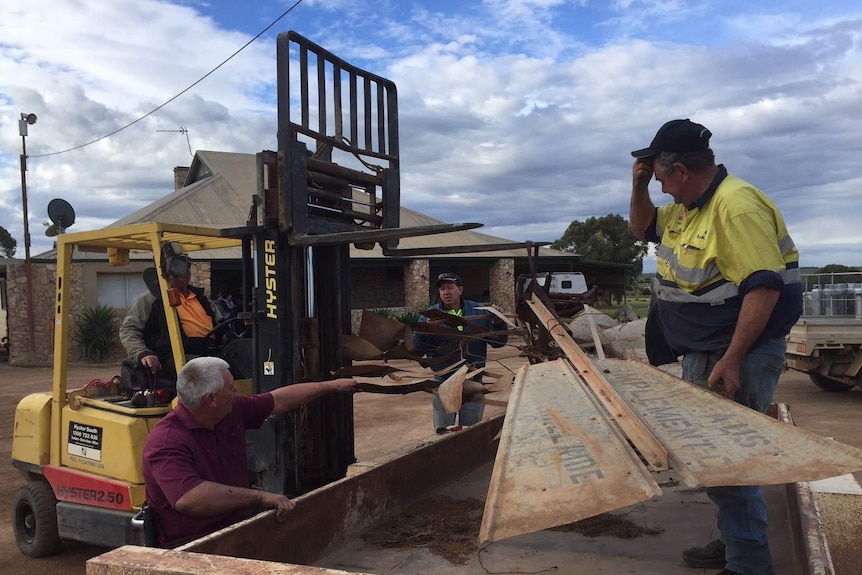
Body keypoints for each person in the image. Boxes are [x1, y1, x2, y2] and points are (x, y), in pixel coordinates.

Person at [629, 119, 802, 575]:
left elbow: (763, 288)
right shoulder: (690, 207)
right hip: (708, 351)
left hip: (736, 352)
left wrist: (732, 359)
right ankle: (734, 543)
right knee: (716, 459)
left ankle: (747, 564)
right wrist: (640, 184)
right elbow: (642, 227)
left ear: (682, 170)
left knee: (727, 461)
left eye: (663, 178)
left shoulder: (734, 207)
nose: (662, 189)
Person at [142, 356, 356, 548]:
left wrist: (332, 385)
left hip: (238, 530)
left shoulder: (229, 411)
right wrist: (260, 497)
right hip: (194, 548)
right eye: (230, 387)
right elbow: (189, 498)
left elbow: (278, 400)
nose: (236, 392)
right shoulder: (166, 441)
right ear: (211, 400)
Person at [414, 273, 509, 433]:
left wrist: (498, 323)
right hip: (444, 383)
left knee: (471, 432)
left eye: (450, 287)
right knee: (444, 433)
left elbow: (498, 343)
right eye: (442, 289)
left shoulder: (478, 312)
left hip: (473, 383)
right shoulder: (429, 316)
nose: (446, 292)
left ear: (460, 290)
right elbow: (417, 349)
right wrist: (425, 331)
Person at [119, 257, 222, 377]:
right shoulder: (152, 299)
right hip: (172, 355)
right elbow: (128, 329)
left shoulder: (201, 296)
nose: (184, 273)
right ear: (167, 272)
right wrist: (143, 353)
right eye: (178, 269)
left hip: (209, 349)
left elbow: (221, 322)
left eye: (186, 267)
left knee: (241, 358)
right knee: (209, 369)